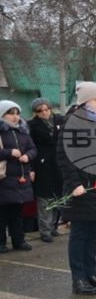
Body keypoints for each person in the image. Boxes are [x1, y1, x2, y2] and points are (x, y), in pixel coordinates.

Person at [56, 83, 96, 294]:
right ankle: (78, 279)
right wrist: (76, 185)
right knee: (80, 234)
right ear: (84, 102)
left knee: (93, 234)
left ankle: (91, 274)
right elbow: (64, 158)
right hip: (81, 189)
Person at [0, 100, 37, 253]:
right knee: (2, 214)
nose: (15, 117)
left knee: (17, 212)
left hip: (20, 179)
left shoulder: (23, 131)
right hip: (4, 178)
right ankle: (1, 243)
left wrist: (28, 156)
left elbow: (33, 148)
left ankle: (18, 240)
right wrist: (8, 153)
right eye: (11, 113)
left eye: (17, 113)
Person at [28, 98, 64, 243]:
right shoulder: (31, 125)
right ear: (35, 113)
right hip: (42, 164)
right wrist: (32, 168)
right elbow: (30, 146)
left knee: (58, 196)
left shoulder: (59, 120)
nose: (44, 112)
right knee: (44, 198)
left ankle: (53, 226)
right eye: (40, 110)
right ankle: (45, 230)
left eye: (46, 109)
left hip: (59, 163)